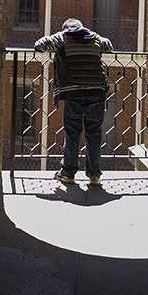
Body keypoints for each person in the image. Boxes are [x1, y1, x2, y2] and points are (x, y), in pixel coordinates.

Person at [34, 18, 113, 186]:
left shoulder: (62, 37)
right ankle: (94, 175)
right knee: (94, 133)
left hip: (73, 91)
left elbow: (39, 45)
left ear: (66, 29)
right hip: (96, 90)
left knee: (73, 132)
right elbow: (109, 46)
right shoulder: (95, 38)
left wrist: (59, 36)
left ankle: (68, 173)